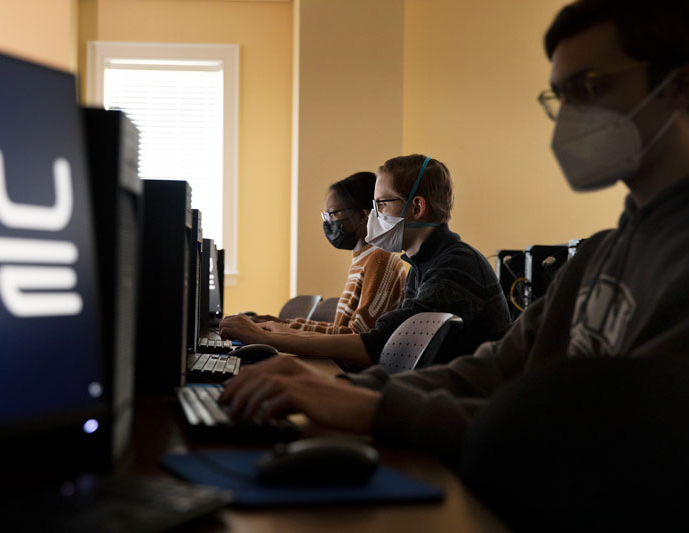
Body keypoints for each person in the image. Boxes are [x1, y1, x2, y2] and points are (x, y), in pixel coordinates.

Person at [220, 0, 689, 468]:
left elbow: (598, 440)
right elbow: (494, 369)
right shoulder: (598, 258)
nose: (571, 119)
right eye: (562, 97)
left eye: (591, 86)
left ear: (680, 84)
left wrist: (375, 407)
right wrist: (337, 390)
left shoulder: (670, 265)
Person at [220, 154, 511, 369]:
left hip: (456, 418)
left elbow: (375, 344)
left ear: (417, 207)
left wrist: (269, 338)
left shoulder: (457, 266)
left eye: (381, 204)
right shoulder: (421, 267)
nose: (372, 216)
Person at [261, 172, 406, 335]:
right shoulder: (362, 260)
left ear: (362, 215)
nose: (329, 222)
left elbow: (358, 335)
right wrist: (278, 324)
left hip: (349, 359)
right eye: (326, 215)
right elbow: (341, 329)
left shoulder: (380, 259)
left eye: (334, 214)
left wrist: (282, 329)